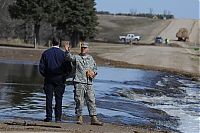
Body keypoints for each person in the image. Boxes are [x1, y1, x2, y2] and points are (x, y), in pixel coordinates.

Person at [64, 41, 103, 126]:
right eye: (82, 48)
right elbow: (69, 58)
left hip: (89, 82)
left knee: (91, 100)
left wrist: (93, 73)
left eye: (85, 48)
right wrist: (67, 51)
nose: (83, 49)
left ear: (87, 49)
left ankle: (94, 118)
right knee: (79, 100)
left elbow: (95, 68)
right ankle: (79, 117)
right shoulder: (76, 57)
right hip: (79, 82)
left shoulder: (91, 58)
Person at [39, 37, 71, 122]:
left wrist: (46, 75)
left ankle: (49, 117)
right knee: (59, 98)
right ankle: (58, 118)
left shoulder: (46, 53)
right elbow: (68, 68)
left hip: (49, 78)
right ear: (59, 43)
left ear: (51, 43)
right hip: (60, 78)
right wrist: (65, 76)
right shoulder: (63, 54)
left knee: (48, 98)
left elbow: (41, 68)